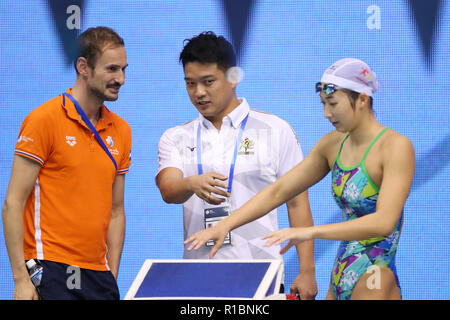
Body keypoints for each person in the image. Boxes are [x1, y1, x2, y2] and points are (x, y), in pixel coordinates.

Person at [185, 58, 415, 300]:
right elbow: (279, 190)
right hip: (341, 273)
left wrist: (309, 232)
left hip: (376, 276)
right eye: (323, 104)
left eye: (333, 104)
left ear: (362, 99)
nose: (327, 114)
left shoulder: (396, 147)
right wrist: (225, 225)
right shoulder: (333, 144)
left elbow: (384, 222)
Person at [156, 31, 317, 299]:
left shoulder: (276, 130)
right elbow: (168, 189)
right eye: (190, 84)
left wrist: (307, 269)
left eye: (208, 82)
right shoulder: (176, 136)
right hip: (198, 281)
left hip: (261, 277)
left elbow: (297, 203)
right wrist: (190, 183)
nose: (199, 93)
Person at [2, 26, 131, 300]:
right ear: (83, 67)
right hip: (50, 267)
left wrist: (112, 274)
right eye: (111, 69)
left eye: (123, 69)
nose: (120, 79)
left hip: (99, 275)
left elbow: (117, 210)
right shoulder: (43, 120)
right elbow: (13, 202)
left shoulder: (121, 130)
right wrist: (21, 280)